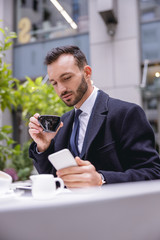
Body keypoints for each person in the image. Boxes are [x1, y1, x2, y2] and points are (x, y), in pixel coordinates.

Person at [29, 45, 160, 188]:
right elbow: (54, 178)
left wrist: (101, 179)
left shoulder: (126, 114)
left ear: (87, 72)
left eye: (66, 78)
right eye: (54, 83)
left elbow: (153, 173)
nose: (61, 89)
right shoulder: (63, 123)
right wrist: (43, 146)